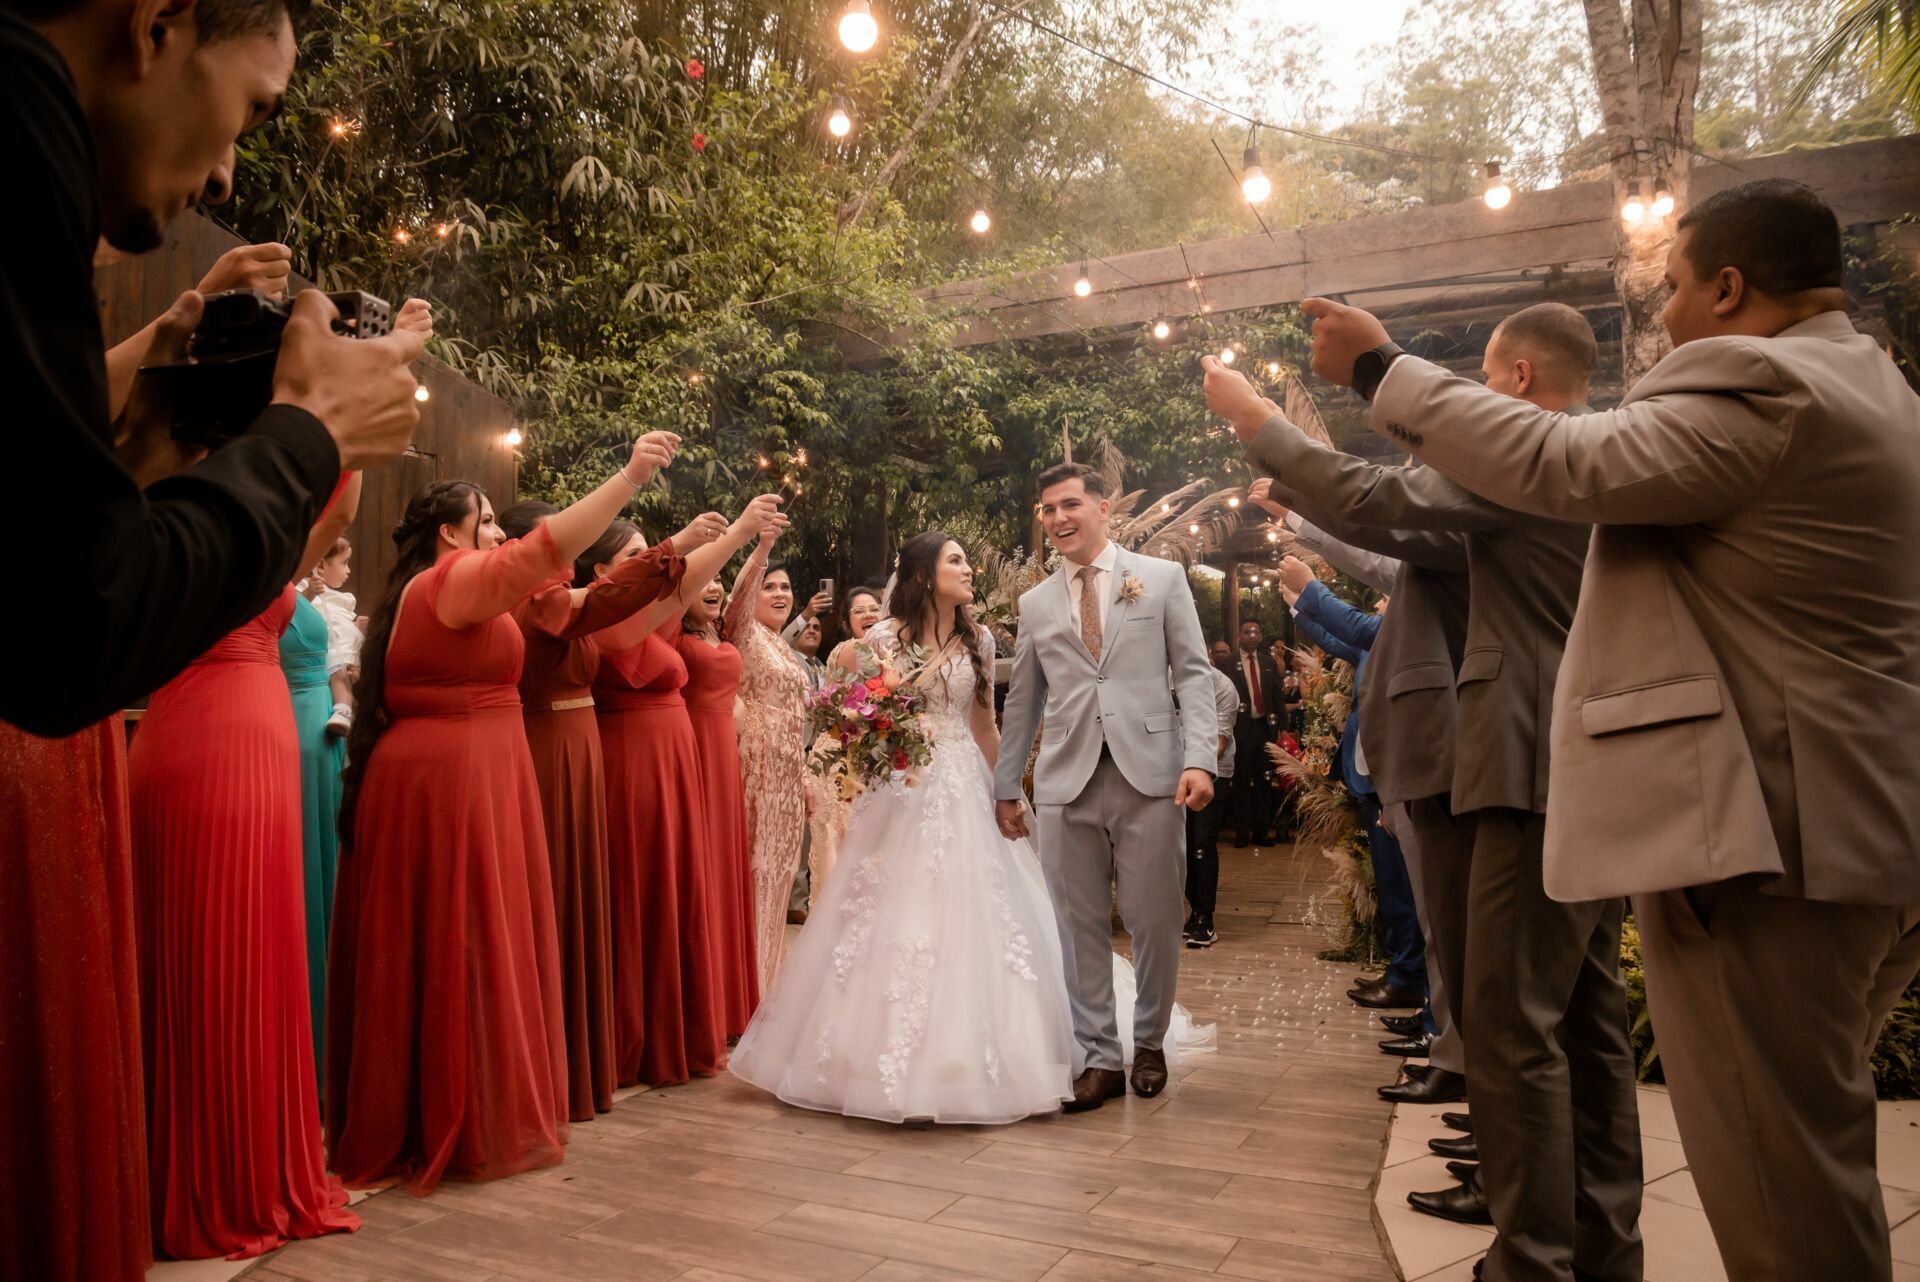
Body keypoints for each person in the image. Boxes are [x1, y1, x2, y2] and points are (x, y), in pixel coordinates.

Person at [1297, 179, 1920, 1282]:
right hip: (1852, 821)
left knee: (1783, 1197)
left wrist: (1380, 369)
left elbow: (1560, 463)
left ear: (1729, 288)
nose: (1665, 315)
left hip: (1774, 843)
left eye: (1673, 286)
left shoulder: (1767, 380)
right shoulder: (1877, 385)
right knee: (1807, 1157)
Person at [1208, 305, 1644, 1277]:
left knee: (1509, 1022)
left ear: (1519, 380)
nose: (1477, 408)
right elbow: (1394, 526)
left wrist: (1254, 417)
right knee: (1582, 1020)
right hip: (1568, 760)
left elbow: (1378, 502)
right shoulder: (1594, 457)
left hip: (1523, 763)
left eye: (1486, 386)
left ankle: (1532, 1259)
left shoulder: (1535, 458)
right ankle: (1604, 1249)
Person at [4, 0, 431, 737]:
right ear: (157, 23)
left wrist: (136, 462)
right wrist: (310, 431)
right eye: (251, 110)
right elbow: (70, 635)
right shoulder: (21, 127)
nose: (224, 179)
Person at [325, 432, 681, 1194]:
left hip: (484, 775)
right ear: (452, 534)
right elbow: (543, 550)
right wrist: (627, 477)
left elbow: (598, 600)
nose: (499, 535)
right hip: (446, 784)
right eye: (488, 523)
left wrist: (685, 546)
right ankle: (445, 1108)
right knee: (462, 942)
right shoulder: (447, 586)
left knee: (485, 942)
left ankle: (470, 1094)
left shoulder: (477, 591)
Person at [728, 533, 1081, 1123]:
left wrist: (1008, 792)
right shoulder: (881, 640)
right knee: (889, 906)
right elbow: (849, 710)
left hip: (965, 783)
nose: (968, 570)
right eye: (956, 561)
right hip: (903, 789)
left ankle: (979, 1057)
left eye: (967, 560)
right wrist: (870, 740)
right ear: (923, 575)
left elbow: (985, 726)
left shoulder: (981, 637)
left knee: (978, 908)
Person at [128, 491, 360, 1257]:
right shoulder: (247, 549)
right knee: (225, 955)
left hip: (191, 729)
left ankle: (180, 1160)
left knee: (218, 952)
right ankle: (223, 1170)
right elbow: (337, 502)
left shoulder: (153, 531)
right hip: (229, 740)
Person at [994, 463, 1218, 1111]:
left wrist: (1199, 759)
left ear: (1104, 506)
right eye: (1047, 510)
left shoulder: (1161, 580)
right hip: (1066, 780)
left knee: (1153, 919)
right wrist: (1008, 784)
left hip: (1151, 775)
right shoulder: (1034, 604)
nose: (1058, 519)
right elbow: (1024, 704)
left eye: (1070, 505)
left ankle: (1147, 1042)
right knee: (1076, 926)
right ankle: (1099, 1058)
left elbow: (1195, 676)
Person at [500, 500, 719, 1120]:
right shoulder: (530, 602)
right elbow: (622, 603)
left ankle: (575, 1053)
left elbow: (642, 608)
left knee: (580, 905)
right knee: (556, 902)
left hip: (583, 752)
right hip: (546, 750)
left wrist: (739, 541)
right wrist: (672, 539)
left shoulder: (571, 606)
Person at [1255, 488, 1473, 1109]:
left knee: (1440, 922)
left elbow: (1361, 614)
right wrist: (1300, 604)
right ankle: (1442, 1034)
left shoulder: (1429, 585)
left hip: (1425, 773)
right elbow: (1348, 637)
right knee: (1431, 919)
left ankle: (1450, 1044)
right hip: (1396, 779)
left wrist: (1303, 546)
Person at [595, 496, 787, 1085]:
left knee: (698, 883)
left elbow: (684, 591)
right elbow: (678, 591)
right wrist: (737, 540)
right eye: (637, 556)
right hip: (638, 760)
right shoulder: (619, 617)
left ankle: (715, 1005)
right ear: (602, 572)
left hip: (696, 758)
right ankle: (653, 1027)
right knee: (647, 890)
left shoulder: (671, 619)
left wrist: (741, 541)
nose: (655, 563)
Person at [1278, 557, 1430, 1027]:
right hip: (1368, 777)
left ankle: (1415, 982)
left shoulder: (1396, 637)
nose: (1381, 601)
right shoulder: (1370, 645)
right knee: (1393, 887)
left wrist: (1312, 590)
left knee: (1410, 890)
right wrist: (1299, 609)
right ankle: (1404, 972)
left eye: (1386, 597)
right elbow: (1334, 638)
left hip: (1394, 779)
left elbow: (1357, 627)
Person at [281, 476, 363, 1078]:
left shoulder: (328, 603)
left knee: (319, 856)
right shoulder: (293, 591)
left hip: (314, 724)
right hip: (291, 721)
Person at [728, 533, 815, 990]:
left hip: (787, 776)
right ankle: (744, 992)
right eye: (771, 586)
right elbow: (740, 594)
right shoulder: (744, 631)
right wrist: (760, 549)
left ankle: (766, 986)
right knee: (752, 876)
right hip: (754, 768)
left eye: (785, 587)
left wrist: (803, 782)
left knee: (779, 880)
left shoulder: (782, 646)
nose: (779, 593)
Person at [678, 580, 760, 1040]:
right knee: (705, 869)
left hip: (726, 753)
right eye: (703, 578)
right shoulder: (673, 632)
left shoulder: (719, 633)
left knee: (728, 870)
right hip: (696, 748)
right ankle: (704, 1008)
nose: (715, 585)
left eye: (719, 578)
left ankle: (731, 1005)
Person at [1184, 659, 1239, 948]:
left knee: (1202, 843)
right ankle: (1192, 909)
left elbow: (1219, 741)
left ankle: (1204, 918)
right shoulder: (1166, 677)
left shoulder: (1223, 687)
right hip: (1171, 774)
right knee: (1181, 845)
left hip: (1213, 773)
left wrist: (1195, 769)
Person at [1223, 618, 1283, 846]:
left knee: (1263, 782)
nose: (1251, 635)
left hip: (1263, 728)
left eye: (1255, 632)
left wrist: (1282, 727)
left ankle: (1261, 830)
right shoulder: (1228, 664)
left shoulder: (1268, 663)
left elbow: (1276, 696)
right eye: (1246, 631)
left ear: (1260, 636)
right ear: (1240, 636)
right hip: (1239, 729)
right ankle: (1241, 831)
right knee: (1240, 782)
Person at [305, 536, 361, 735]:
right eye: (344, 563)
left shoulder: (337, 599)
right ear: (320, 565)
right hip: (328, 657)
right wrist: (309, 594)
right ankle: (342, 708)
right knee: (339, 669)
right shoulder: (305, 591)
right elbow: (299, 610)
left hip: (347, 655)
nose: (348, 570)